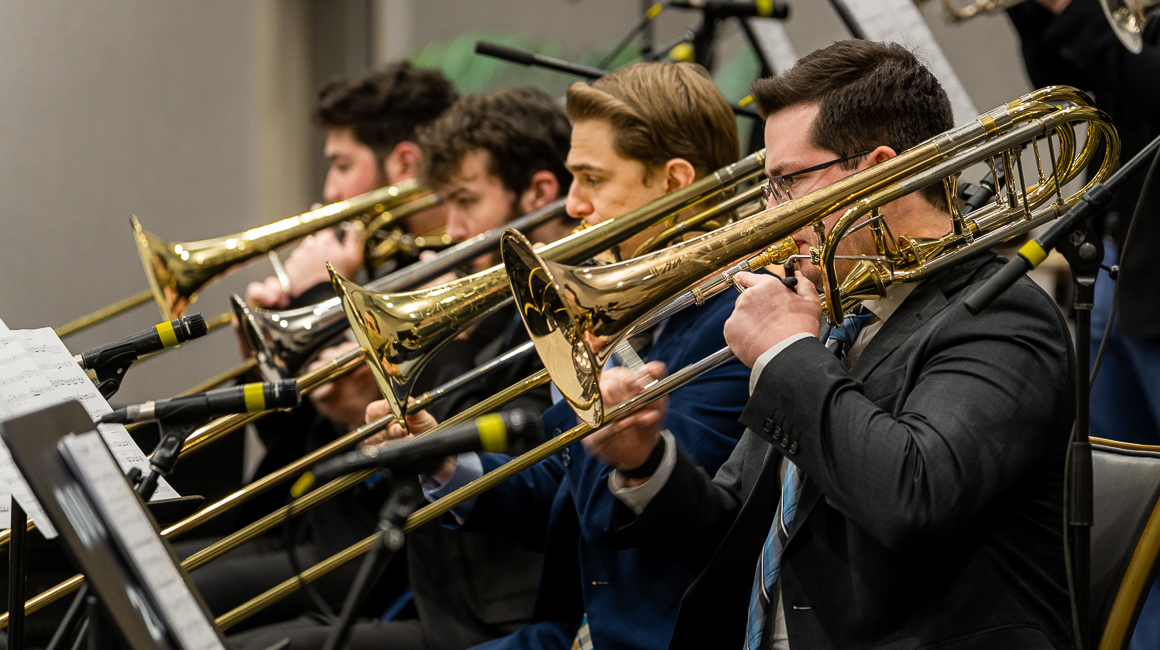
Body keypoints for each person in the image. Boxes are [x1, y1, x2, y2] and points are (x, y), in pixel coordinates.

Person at [581, 40, 1076, 649]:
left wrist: (786, 355)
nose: (771, 215)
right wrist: (644, 459)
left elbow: (912, 498)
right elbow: (732, 529)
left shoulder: (1001, 315)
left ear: (875, 171)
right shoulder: (843, 317)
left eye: (786, 183)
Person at [371, 61, 752, 650]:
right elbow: (559, 484)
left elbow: (648, 511)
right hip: (572, 630)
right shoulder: (634, 312)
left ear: (675, 181)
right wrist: (438, 457)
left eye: (591, 180)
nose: (573, 205)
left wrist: (599, 369)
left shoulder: (736, 322)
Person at [229, 87, 576, 650]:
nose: (454, 228)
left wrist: (447, 341)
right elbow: (301, 442)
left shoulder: (547, 302)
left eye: (466, 201)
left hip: (484, 601)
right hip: (421, 572)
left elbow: (508, 453)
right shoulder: (474, 281)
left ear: (538, 191)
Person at [183, 62, 459, 632]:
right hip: (304, 515)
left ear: (404, 163)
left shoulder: (440, 275)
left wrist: (316, 291)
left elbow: (367, 423)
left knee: (168, 599)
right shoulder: (380, 257)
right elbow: (291, 440)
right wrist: (265, 356)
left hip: (372, 543)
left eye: (341, 165)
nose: (329, 191)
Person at [1008, 3, 1160, 646]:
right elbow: (1084, 104)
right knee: (1109, 499)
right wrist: (1033, 16)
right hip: (1129, 265)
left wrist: (1071, 9)